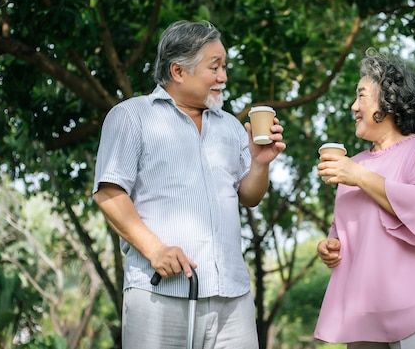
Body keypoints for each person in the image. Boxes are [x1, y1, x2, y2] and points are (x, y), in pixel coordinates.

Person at [93, 20, 286, 349]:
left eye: (224, 66)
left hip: (232, 298)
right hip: (159, 294)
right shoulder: (130, 116)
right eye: (215, 67)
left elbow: (250, 196)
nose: (223, 77)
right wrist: (155, 250)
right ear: (178, 71)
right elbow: (109, 193)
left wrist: (260, 163)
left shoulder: (231, 127)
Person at [314, 51, 415, 349]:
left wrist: (358, 175)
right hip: (363, 314)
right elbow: (346, 225)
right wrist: (331, 244)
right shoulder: (353, 164)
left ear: (389, 99)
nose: (353, 106)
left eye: (361, 96)